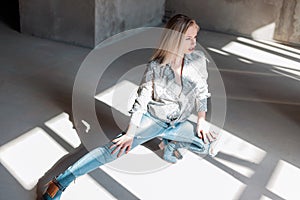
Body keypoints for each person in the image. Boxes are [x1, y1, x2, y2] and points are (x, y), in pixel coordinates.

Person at [42, 14, 223, 200]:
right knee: (115, 150)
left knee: (208, 145)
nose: (194, 43)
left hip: (179, 121)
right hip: (155, 120)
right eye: (188, 38)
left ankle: (170, 143)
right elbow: (141, 101)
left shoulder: (198, 60)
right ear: (175, 40)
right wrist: (130, 133)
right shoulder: (155, 66)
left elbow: (202, 91)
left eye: (195, 38)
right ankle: (60, 182)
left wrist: (202, 121)